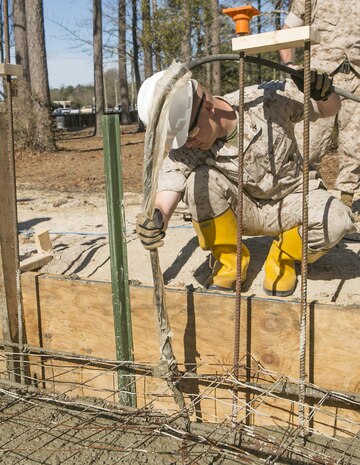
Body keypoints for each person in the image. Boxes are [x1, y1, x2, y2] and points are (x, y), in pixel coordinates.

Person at [136, 62, 357, 297]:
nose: (187, 143)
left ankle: (283, 258)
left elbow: (326, 109)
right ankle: (231, 262)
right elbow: (169, 187)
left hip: (294, 201)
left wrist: (323, 92)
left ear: (208, 107)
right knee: (198, 181)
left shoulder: (267, 100)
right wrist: (157, 219)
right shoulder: (188, 146)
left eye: (189, 133)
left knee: (336, 219)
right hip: (247, 210)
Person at [279, 0, 360, 213]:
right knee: (308, 144)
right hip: (320, 82)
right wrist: (288, 65)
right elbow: (287, 31)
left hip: (356, 80)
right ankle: (309, 199)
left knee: (355, 146)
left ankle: (347, 206)